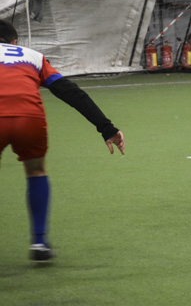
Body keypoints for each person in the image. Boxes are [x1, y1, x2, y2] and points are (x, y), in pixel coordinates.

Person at [0, 19, 125, 262]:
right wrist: (106, 128)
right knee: (36, 171)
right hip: (30, 118)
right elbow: (71, 92)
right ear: (15, 42)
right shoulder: (34, 57)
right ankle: (39, 242)